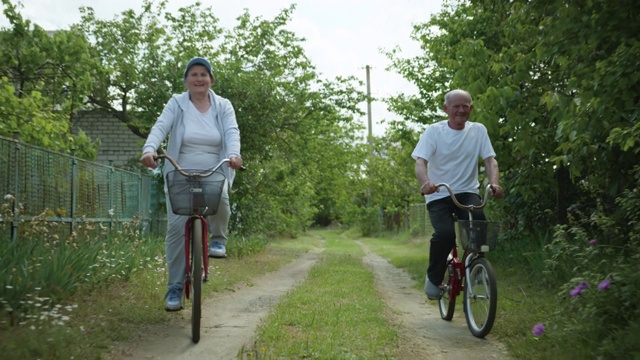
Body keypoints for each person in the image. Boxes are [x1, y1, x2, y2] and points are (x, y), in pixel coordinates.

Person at [140, 56, 243, 311]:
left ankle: (218, 239)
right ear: (186, 80)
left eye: (203, 74)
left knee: (221, 197)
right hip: (180, 171)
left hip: (214, 169)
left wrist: (234, 155)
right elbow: (161, 126)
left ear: (211, 80)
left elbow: (231, 131)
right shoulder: (177, 103)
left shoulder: (223, 105)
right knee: (176, 229)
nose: (199, 79)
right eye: (193, 74)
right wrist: (149, 148)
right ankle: (174, 287)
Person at [412, 89, 504, 300]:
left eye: (466, 106)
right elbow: (420, 162)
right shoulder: (434, 132)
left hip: (467, 192)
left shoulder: (478, 131)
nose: (461, 110)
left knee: (479, 223)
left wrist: (494, 184)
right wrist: (425, 182)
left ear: (471, 108)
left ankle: (475, 265)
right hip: (439, 193)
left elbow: (490, 161)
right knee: (445, 235)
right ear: (446, 109)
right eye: (456, 106)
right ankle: (434, 278)